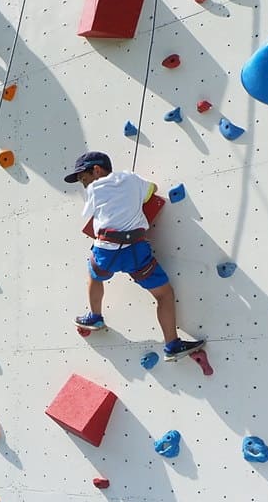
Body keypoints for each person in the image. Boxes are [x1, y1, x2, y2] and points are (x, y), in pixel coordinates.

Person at [65, 150, 200, 357]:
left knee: (94, 273)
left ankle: (95, 316)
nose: (85, 185)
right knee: (164, 294)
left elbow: (89, 214)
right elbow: (152, 190)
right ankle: (172, 344)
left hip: (106, 252)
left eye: (84, 179)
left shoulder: (94, 190)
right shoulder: (131, 179)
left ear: (97, 170)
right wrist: (134, 188)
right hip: (136, 252)